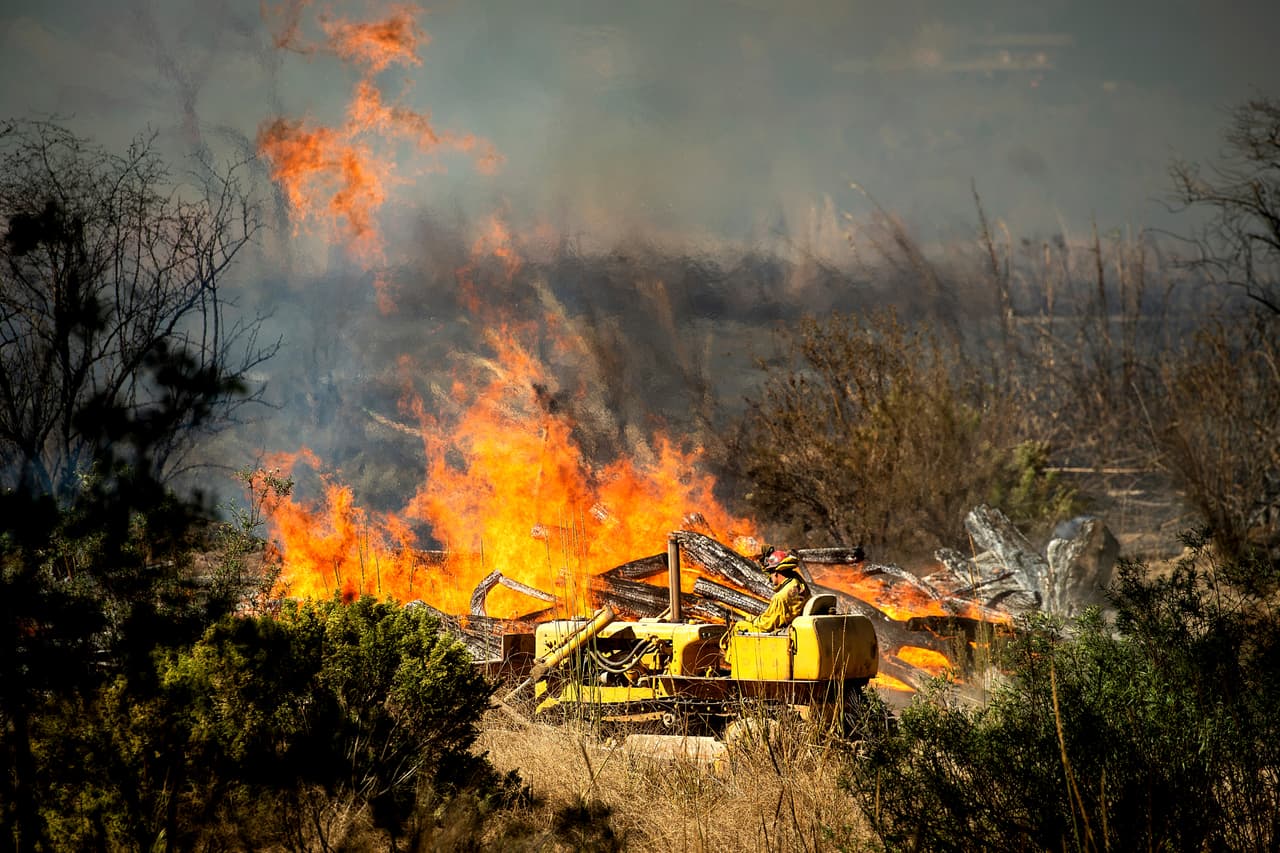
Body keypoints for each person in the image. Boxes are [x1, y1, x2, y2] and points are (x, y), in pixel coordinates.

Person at [720, 548, 810, 664]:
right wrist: (765, 564)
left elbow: (767, 625)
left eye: (771, 572)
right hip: (792, 625)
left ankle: (737, 666)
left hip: (781, 633)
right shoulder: (798, 582)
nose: (770, 578)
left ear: (777, 572)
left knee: (739, 627)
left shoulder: (780, 598)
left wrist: (752, 620)